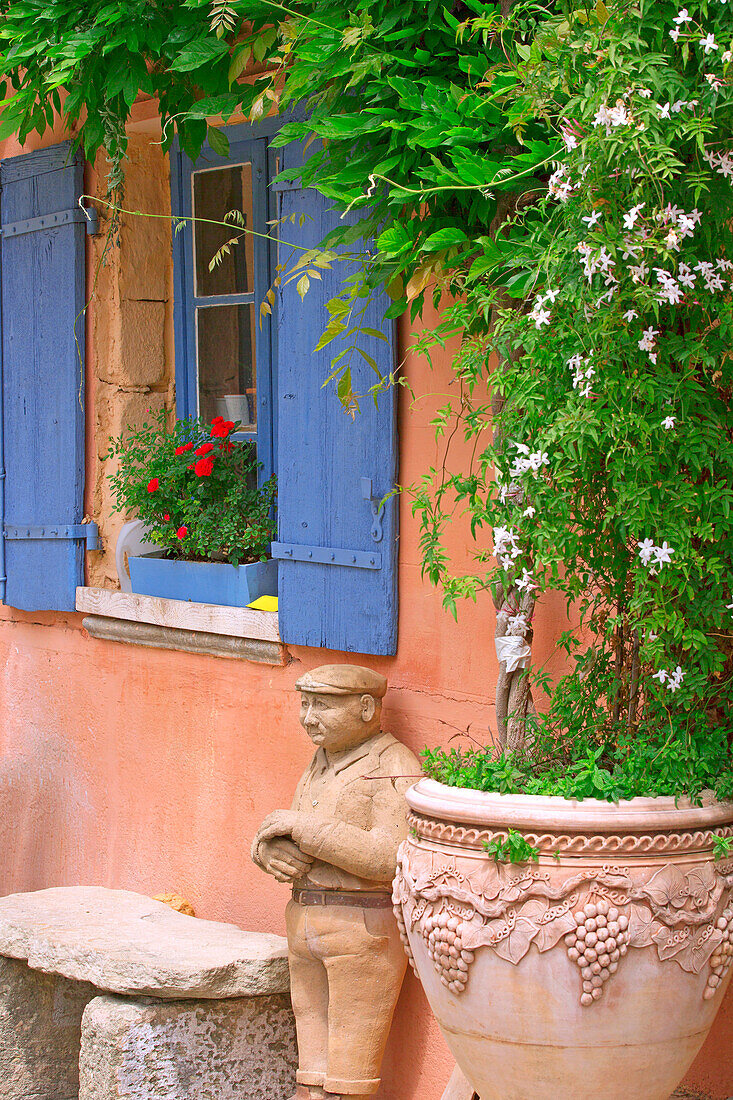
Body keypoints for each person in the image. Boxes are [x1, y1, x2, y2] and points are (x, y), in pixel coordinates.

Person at [251, 664, 420, 1100]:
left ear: (366, 707)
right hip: (306, 923)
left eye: (323, 705)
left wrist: (305, 830)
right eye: (305, 704)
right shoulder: (321, 762)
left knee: (349, 1078)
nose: (309, 717)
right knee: (311, 1073)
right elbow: (288, 835)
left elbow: (390, 856)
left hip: (360, 931)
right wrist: (269, 852)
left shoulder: (393, 764)